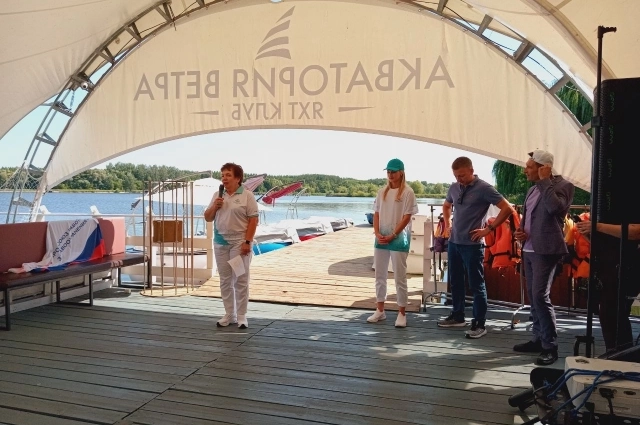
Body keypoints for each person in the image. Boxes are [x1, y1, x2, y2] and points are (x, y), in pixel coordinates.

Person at [437, 156, 513, 339]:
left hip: (473, 245)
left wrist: (489, 229)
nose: (459, 179)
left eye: (462, 175)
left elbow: (507, 208)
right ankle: (458, 316)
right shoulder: (454, 187)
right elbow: (446, 205)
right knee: (455, 281)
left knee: (476, 285)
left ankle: (479, 324)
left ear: (471, 171)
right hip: (454, 242)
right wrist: (448, 223)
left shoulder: (484, 188)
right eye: (456, 176)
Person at [512, 150, 574, 365]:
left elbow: (555, 208)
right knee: (533, 295)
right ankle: (538, 339)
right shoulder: (532, 189)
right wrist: (520, 232)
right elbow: (529, 217)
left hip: (546, 250)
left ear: (543, 168)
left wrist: (545, 180)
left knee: (540, 295)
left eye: (529, 167)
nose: (525, 170)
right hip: (529, 249)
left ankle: (550, 346)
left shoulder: (564, 186)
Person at [204, 163, 259, 329]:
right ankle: (230, 314)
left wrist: (247, 242)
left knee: (240, 279)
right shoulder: (217, 195)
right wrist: (215, 206)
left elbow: (253, 220)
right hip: (221, 243)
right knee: (225, 280)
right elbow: (208, 217)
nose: (224, 178)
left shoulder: (247, 196)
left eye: (228, 175)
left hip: (239, 244)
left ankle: (242, 316)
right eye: (222, 175)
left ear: (238, 178)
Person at [367, 158, 419, 328]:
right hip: (381, 238)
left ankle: (402, 313)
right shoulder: (382, 192)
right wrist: (377, 233)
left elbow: (406, 217)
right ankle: (380, 310)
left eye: (393, 171)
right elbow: (376, 214)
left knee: (399, 276)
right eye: (388, 171)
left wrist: (393, 234)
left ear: (401, 172)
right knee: (379, 275)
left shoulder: (408, 193)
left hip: (399, 239)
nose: (390, 174)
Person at [575, 220, 640, 352]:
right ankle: (617, 354)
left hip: (629, 266)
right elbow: (603, 243)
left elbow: (636, 232)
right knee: (609, 314)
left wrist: (598, 227)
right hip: (608, 266)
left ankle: (622, 355)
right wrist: (589, 232)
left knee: (616, 313)